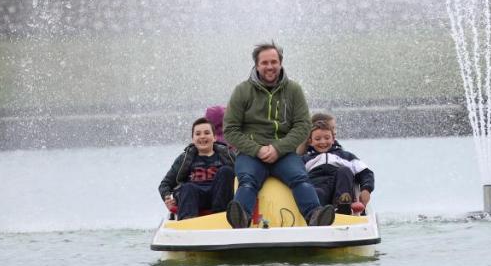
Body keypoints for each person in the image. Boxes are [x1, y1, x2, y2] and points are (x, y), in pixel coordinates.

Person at [222, 41, 336, 229]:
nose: (270, 67)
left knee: (300, 178)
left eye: (274, 62)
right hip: (251, 154)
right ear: (257, 65)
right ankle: (240, 217)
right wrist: (257, 150)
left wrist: (278, 148)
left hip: (284, 153)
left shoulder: (294, 90)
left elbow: (303, 125)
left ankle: (315, 215)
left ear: (280, 63)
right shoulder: (242, 91)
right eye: (265, 63)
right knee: (248, 181)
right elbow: (230, 130)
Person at [158, 117, 236, 219]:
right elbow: (165, 184)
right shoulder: (184, 158)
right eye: (198, 134)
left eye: (207, 133)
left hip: (219, 198)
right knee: (188, 187)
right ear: (193, 139)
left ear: (214, 137)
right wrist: (167, 197)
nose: (202, 137)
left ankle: (221, 218)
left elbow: (244, 174)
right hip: (194, 198)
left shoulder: (228, 155)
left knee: (226, 171)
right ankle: (186, 224)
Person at [302, 116, 375, 214]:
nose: (323, 142)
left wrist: (366, 189)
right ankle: (319, 213)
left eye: (327, 138)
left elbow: (366, 172)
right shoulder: (306, 159)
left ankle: (342, 206)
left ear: (333, 139)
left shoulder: (346, 156)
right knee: (316, 191)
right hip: (319, 188)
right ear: (310, 142)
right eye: (318, 139)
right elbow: (294, 175)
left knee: (344, 171)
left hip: (340, 188)